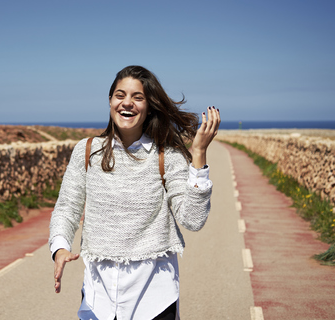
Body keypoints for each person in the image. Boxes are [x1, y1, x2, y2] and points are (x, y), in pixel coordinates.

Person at [49, 65, 220, 320]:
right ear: (110, 101)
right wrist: (60, 248)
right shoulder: (87, 151)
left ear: (149, 106)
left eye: (137, 97)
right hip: (98, 299)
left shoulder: (168, 156)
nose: (126, 103)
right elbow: (67, 208)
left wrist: (199, 156)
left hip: (154, 298)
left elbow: (193, 220)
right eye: (120, 95)